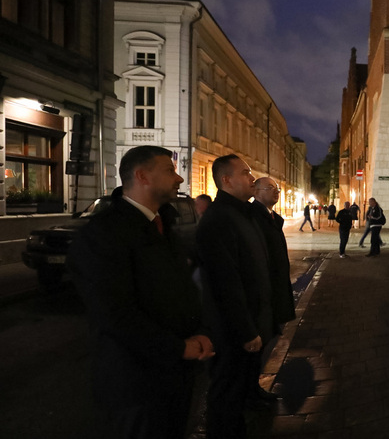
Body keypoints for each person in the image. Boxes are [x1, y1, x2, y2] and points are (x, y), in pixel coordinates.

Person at [67, 145, 214, 439]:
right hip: (136, 382)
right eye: (170, 171)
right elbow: (114, 314)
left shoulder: (162, 223)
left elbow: (182, 290)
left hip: (175, 373)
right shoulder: (104, 233)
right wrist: (176, 348)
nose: (179, 179)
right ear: (142, 176)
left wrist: (199, 332)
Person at [196, 154, 276, 438]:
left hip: (251, 320)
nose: (252, 178)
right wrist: (245, 330)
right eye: (246, 173)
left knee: (239, 391)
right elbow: (225, 282)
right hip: (232, 331)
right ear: (227, 180)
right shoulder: (219, 219)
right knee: (226, 394)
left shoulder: (241, 212)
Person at [251, 176, 296, 333]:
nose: (276, 191)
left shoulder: (271, 217)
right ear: (255, 192)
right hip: (266, 291)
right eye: (270, 188)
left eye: (277, 188)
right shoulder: (254, 217)